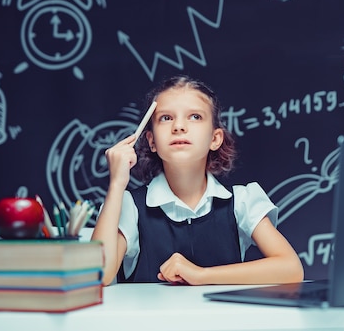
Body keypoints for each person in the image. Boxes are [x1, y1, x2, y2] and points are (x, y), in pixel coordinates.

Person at [91, 75, 304, 286]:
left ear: (215, 139)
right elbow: (98, 275)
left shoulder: (241, 201)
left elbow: (291, 269)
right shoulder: (129, 205)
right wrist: (116, 185)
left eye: (195, 117)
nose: (179, 126)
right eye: (166, 118)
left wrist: (201, 275)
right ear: (151, 141)